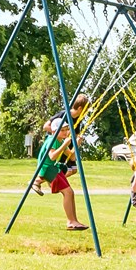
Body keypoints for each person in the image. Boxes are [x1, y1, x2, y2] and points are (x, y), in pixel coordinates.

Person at [30, 94, 91, 231]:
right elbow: (51, 156)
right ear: (55, 131)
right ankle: (71, 221)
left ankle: (73, 221)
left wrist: (76, 145)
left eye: (66, 130)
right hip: (48, 168)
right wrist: (65, 144)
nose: (66, 132)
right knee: (69, 193)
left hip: (53, 168)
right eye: (63, 130)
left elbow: (72, 157)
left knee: (68, 171)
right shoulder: (52, 140)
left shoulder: (59, 140)